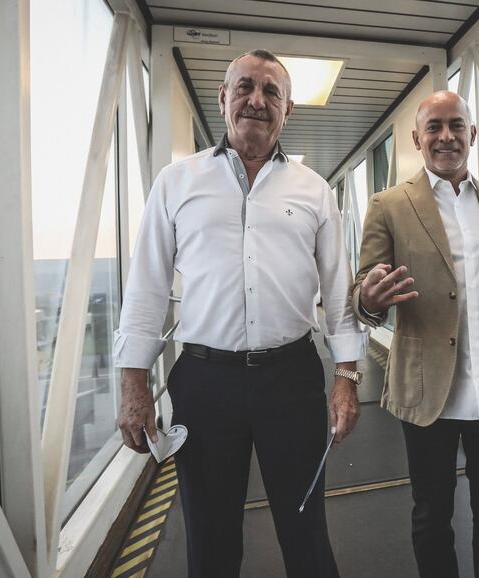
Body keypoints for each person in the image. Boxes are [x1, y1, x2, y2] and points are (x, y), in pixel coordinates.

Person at [114, 49, 367, 578]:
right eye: (245, 87)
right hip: (205, 383)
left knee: (307, 535)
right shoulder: (176, 183)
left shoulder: (314, 191)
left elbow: (339, 296)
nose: (257, 99)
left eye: (271, 91)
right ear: (223, 98)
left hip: (292, 380)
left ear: (288, 109)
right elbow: (145, 289)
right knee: (210, 541)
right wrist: (133, 383)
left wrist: (345, 376)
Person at [352, 90, 479, 578]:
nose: (447, 136)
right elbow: (361, 290)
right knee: (431, 515)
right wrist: (369, 300)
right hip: (427, 397)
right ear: (417, 139)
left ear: (473, 133)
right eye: (436, 127)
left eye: (457, 125)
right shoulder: (389, 206)